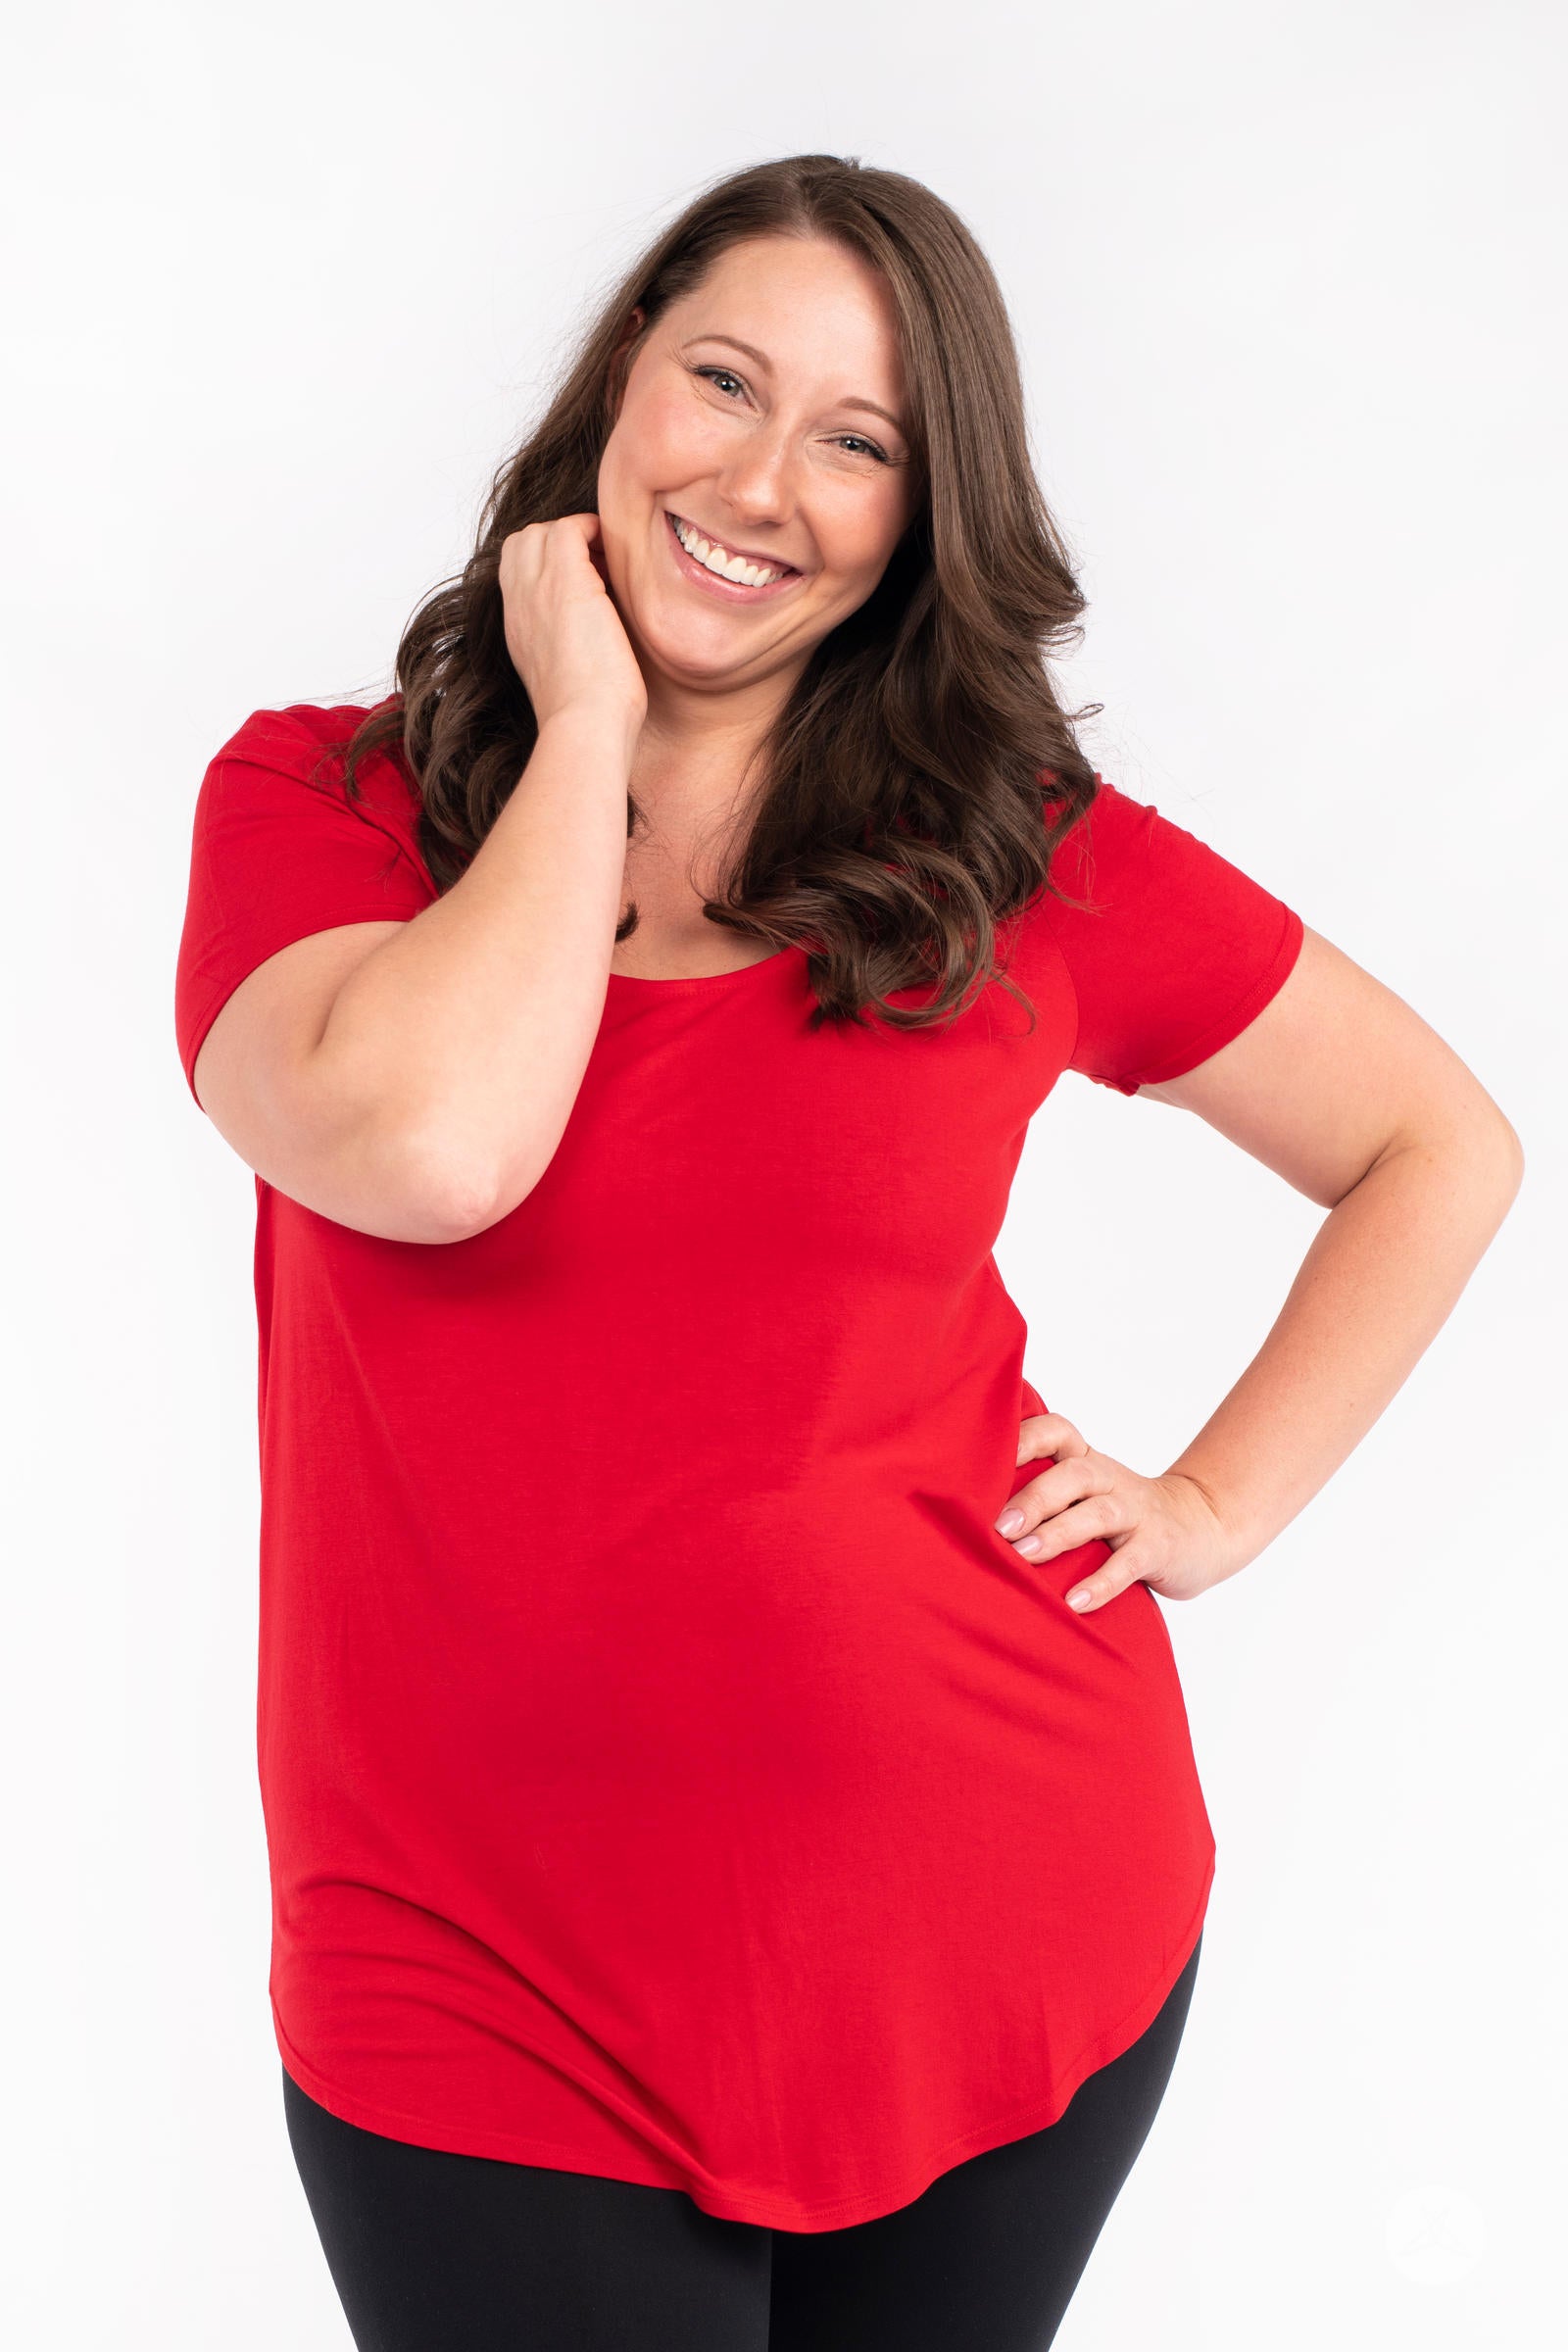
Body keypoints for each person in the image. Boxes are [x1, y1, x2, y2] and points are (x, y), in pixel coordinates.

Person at [173, 155, 1523, 2349]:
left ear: (919, 513)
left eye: (858, 441)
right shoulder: (321, 811)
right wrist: (591, 729)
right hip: (469, 1975)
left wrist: (1207, 1506)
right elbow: (424, 1148)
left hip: (994, 1913)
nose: (761, 481)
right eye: (722, 379)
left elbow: (1427, 1142)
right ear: (619, 382)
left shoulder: (1020, 860)